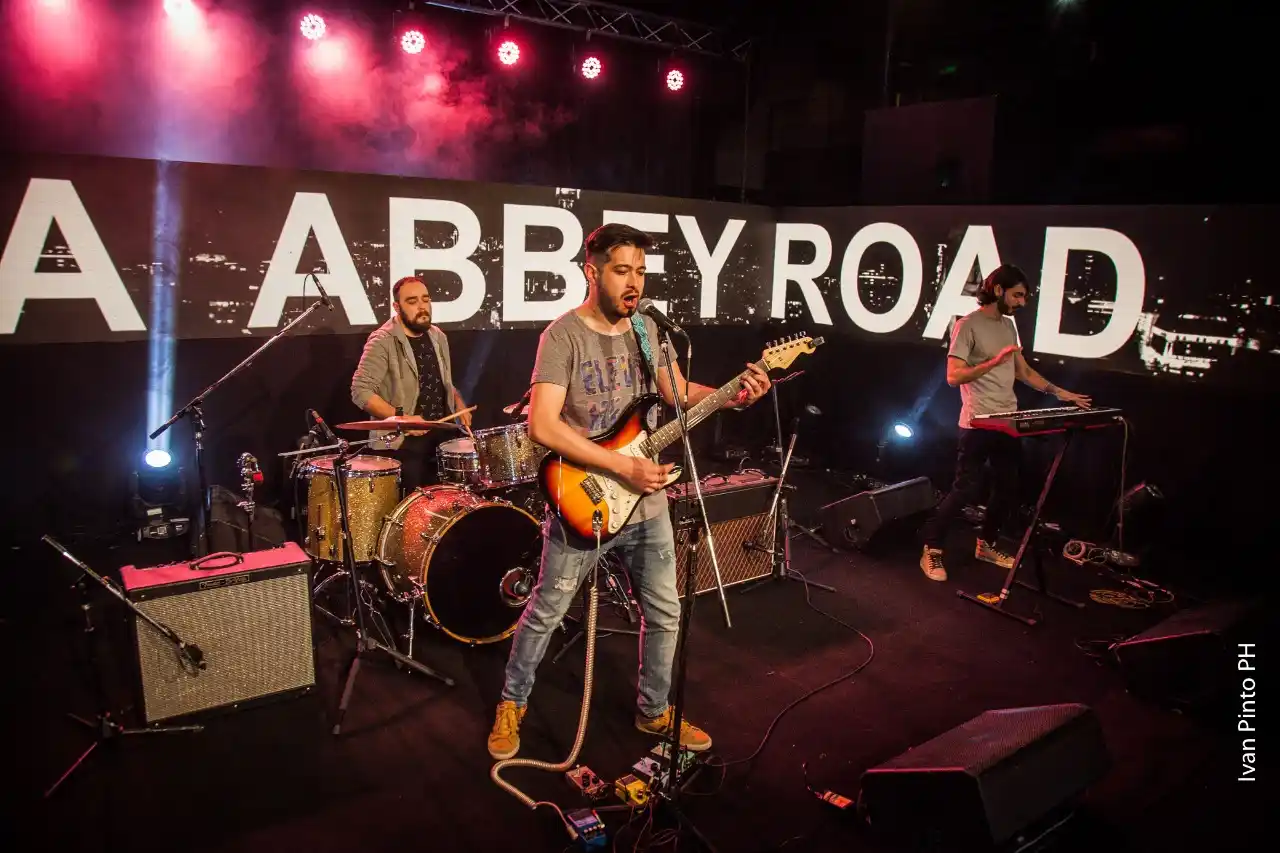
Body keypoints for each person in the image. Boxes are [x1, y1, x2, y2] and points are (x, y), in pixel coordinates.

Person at [487, 223, 772, 760]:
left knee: (665, 612)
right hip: (584, 499)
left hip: (647, 501)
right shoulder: (562, 336)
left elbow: (677, 393)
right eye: (622, 270)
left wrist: (733, 395)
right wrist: (620, 465)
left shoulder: (648, 330)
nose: (634, 281)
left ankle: (654, 710)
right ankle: (512, 701)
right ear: (592, 271)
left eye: (640, 271)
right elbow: (543, 426)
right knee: (547, 608)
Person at [919, 265, 1091, 582]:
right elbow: (953, 376)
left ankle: (986, 543)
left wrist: (1060, 392)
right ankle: (931, 549)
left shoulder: (1008, 326)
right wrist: (993, 362)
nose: (1022, 302)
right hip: (977, 422)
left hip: (1007, 421)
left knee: (1007, 487)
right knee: (965, 488)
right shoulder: (967, 325)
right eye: (1018, 295)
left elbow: (1023, 372)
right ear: (998, 290)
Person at [350, 276, 472, 491]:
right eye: (412, 301)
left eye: (425, 299)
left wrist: (459, 403)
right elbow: (361, 391)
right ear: (397, 307)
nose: (422, 306)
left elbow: (442, 381)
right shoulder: (382, 341)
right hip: (403, 443)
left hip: (442, 438)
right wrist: (403, 420)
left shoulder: (437, 336)